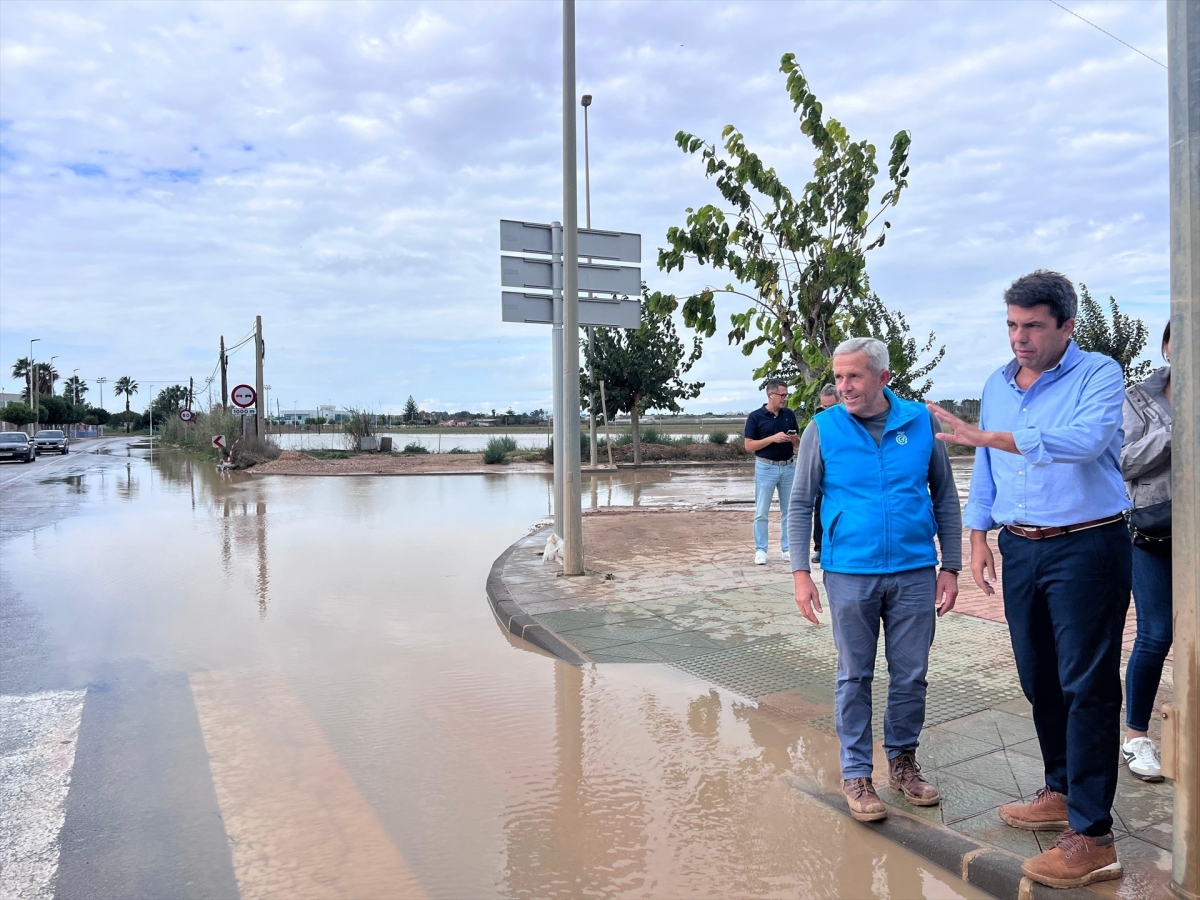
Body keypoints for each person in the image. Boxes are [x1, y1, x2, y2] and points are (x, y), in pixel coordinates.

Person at [930, 270, 1130, 890]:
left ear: (1066, 326)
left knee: (1086, 683)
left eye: (1033, 326)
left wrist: (987, 435)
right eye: (1012, 325)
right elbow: (986, 468)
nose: (1019, 338)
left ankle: (1093, 836)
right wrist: (977, 536)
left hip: (1088, 544)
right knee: (1039, 675)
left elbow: (1085, 441)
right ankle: (1061, 788)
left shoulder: (1098, 374)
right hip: (1022, 547)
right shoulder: (997, 382)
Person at [790, 337, 961, 823]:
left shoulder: (920, 422)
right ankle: (856, 772)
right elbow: (801, 503)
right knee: (854, 675)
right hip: (849, 572)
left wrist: (950, 565)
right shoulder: (822, 429)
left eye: (854, 377)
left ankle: (903, 762)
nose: (843, 386)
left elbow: (946, 497)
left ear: (883, 378)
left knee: (910, 673)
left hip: (913, 570)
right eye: (838, 377)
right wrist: (801, 573)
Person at [1120, 322, 1173, 782]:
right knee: (1156, 634)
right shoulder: (1138, 397)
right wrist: (1176, 430)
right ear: (1167, 347)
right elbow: (1123, 460)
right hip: (1154, 531)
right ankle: (1136, 736)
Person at [744, 379, 799, 565]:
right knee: (761, 511)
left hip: (789, 466)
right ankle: (761, 549)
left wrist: (794, 440)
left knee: (789, 511)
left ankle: (788, 548)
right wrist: (772, 439)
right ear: (771, 395)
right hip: (765, 467)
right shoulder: (755, 417)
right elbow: (749, 446)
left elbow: (798, 445)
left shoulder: (789, 415)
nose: (785, 398)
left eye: (786, 395)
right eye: (782, 395)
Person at [810, 384, 840, 563]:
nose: (826, 411)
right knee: (818, 506)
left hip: (843, 471)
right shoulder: (819, 422)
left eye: (831, 407)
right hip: (824, 469)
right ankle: (819, 548)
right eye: (824, 407)